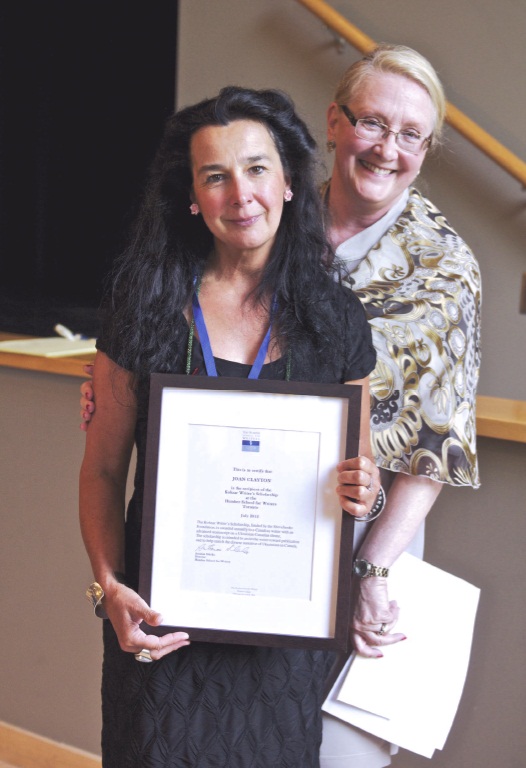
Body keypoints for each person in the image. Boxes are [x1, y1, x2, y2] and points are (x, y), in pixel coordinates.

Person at [80, 44, 482, 767]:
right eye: (217, 177)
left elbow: (414, 451)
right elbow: (103, 468)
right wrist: (106, 583)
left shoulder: (375, 298)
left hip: (319, 578)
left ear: (286, 181)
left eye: (411, 134)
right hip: (170, 608)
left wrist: (368, 534)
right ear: (334, 126)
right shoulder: (147, 305)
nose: (242, 194)